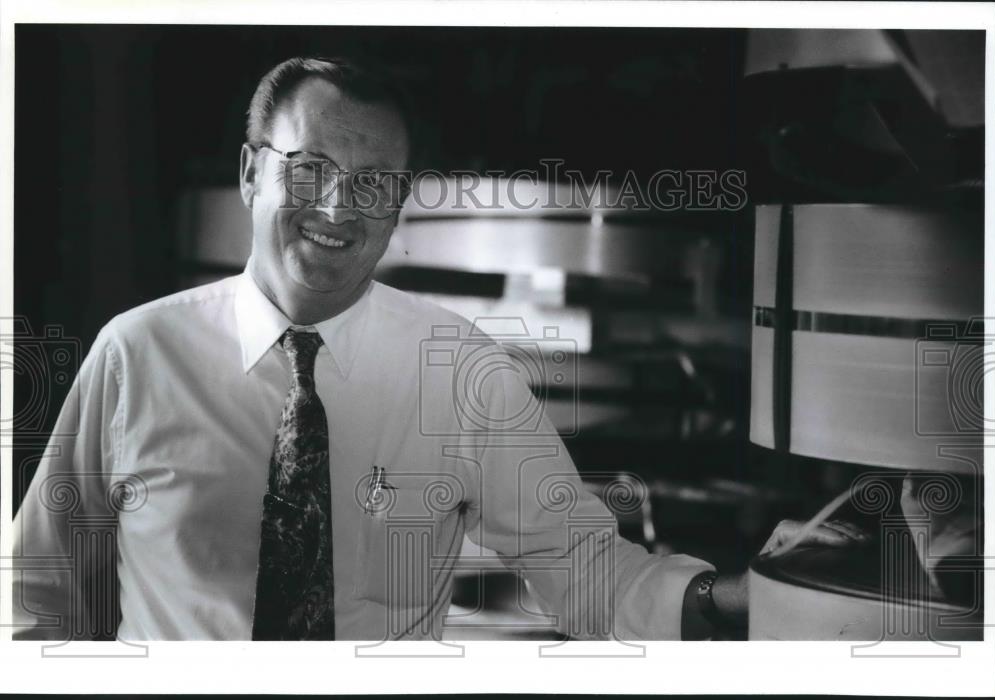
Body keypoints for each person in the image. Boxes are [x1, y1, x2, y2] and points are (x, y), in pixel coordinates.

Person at [11, 56, 867, 642]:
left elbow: (582, 571)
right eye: (307, 169)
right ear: (248, 173)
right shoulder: (137, 355)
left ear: (399, 205)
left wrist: (733, 599)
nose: (339, 208)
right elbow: (36, 593)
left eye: (375, 183)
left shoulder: (459, 371)